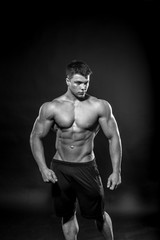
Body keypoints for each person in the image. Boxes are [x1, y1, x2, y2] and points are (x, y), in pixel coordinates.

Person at [30, 60, 122, 240]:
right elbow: (35, 136)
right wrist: (42, 167)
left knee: (99, 214)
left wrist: (116, 170)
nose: (83, 87)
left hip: (86, 167)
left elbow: (114, 137)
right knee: (67, 213)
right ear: (67, 81)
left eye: (86, 82)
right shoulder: (51, 107)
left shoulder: (99, 106)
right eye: (78, 83)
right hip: (61, 168)